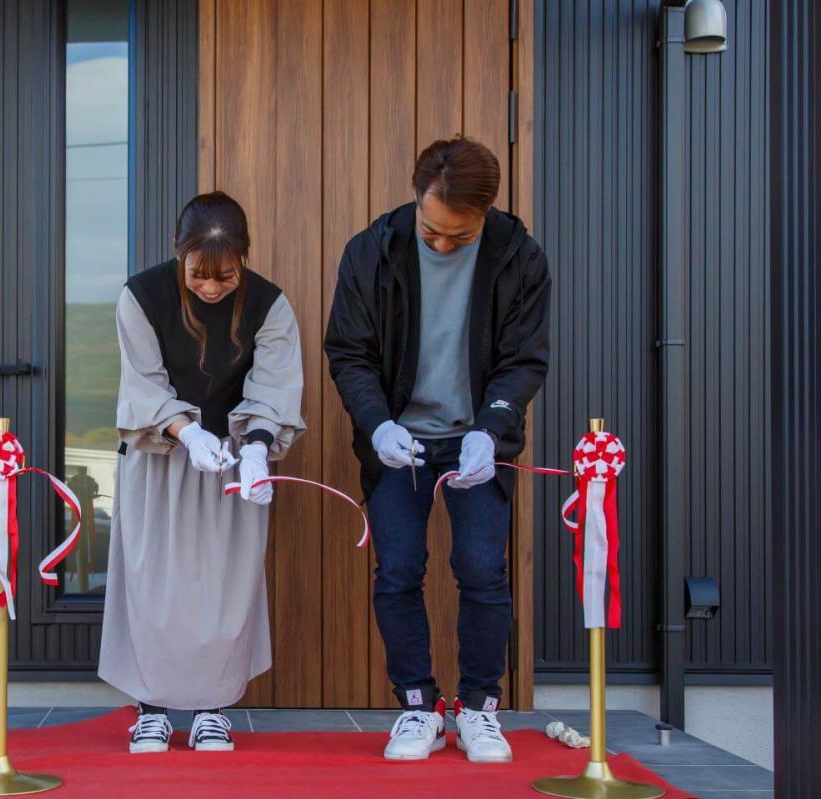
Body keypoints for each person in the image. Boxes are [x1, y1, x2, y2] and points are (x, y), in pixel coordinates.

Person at [324, 137, 551, 763]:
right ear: (415, 197)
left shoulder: (519, 257)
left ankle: (479, 709)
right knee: (398, 570)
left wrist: (492, 426)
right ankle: (417, 707)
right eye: (432, 232)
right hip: (400, 443)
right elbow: (348, 353)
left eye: (461, 234)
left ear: (486, 212)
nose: (444, 244)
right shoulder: (372, 251)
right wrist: (375, 425)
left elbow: (523, 360)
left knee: (482, 571)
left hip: (478, 440)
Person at [99, 191, 306, 753]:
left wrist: (260, 448)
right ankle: (151, 709)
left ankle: (213, 709)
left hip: (235, 460)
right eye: (199, 275)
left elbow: (275, 385)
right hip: (161, 456)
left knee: (224, 584)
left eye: (226, 276)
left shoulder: (270, 305)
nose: (212, 287)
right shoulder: (140, 296)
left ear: (244, 257)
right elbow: (141, 382)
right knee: (152, 585)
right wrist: (185, 432)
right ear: (177, 253)